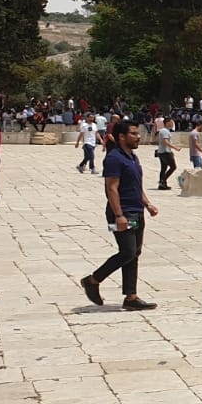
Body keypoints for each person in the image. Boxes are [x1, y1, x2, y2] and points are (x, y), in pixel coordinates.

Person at [79, 121, 160, 310]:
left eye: (138, 133)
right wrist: (119, 215)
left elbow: (136, 185)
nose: (138, 136)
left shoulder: (133, 157)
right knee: (127, 252)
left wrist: (147, 204)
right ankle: (92, 280)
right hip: (122, 212)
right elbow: (112, 188)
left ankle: (131, 297)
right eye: (133, 133)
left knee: (134, 254)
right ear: (122, 137)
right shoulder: (114, 158)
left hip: (137, 210)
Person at [155, 117, 181, 190]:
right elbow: (166, 142)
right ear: (167, 123)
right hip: (165, 152)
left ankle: (162, 185)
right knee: (173, 167)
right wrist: (175, 148)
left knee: (163, 168)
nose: (172, 124)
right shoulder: (165, 131)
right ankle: (162, 181)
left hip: (162, 151)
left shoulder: (165, 131)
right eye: (171, 122)